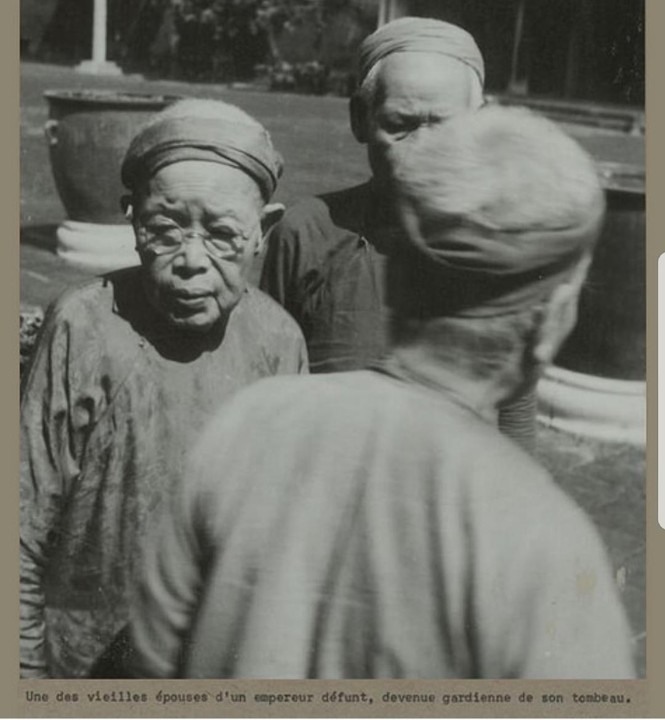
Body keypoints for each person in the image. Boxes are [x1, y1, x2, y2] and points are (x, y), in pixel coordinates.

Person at [126, 106, 635, 679]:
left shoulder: (250, 422)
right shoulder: (544, 544)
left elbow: (153, 666)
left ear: (396, 277)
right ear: (552, 317)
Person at [19, 99, 307, 679]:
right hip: (78, 663)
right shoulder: (83, 326)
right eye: (164, 230)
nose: (191, 261)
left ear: (263, 232)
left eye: (223, 234)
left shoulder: (278, 341)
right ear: (132, 220)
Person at [260, 16, 537, 452]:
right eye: (400, 124)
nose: (424, 150)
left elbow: (515, 405)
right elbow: (268, 377)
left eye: (443, 125)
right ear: (360, 119)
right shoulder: (308, 231)